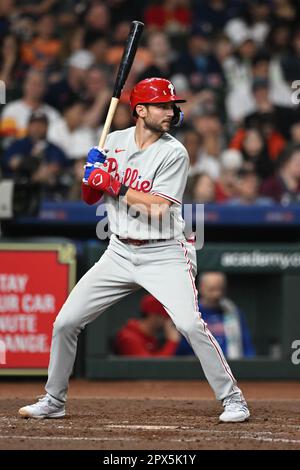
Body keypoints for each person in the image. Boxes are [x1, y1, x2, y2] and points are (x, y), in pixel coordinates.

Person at [18, 77, 250, 423]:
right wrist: (92, 174)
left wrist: (112, 182)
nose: (171, 111)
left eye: (172, 105)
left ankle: (234, 399)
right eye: (163, 105)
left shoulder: (174, 152)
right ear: (140, 110)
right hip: (119, 251)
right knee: (66, 322)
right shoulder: (113, 141)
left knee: (189, 324)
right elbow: (90, 197)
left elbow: (157, 208)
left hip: (165, 252)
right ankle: (54, 399)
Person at [176, 272, 255, 359]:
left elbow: (247, 347)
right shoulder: (191, 314)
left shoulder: (233, 312)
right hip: (200, 366)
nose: (217, 294)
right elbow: (182, 350)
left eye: (220, 289)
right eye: (212, 289)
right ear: (201, 288)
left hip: (231, 366)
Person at [114, 294, 180, 357]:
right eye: (165, 317)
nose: (167, 322)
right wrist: (172, 342)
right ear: (154, 316)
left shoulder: (150, 336)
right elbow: (151, 367)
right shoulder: (129, 338)